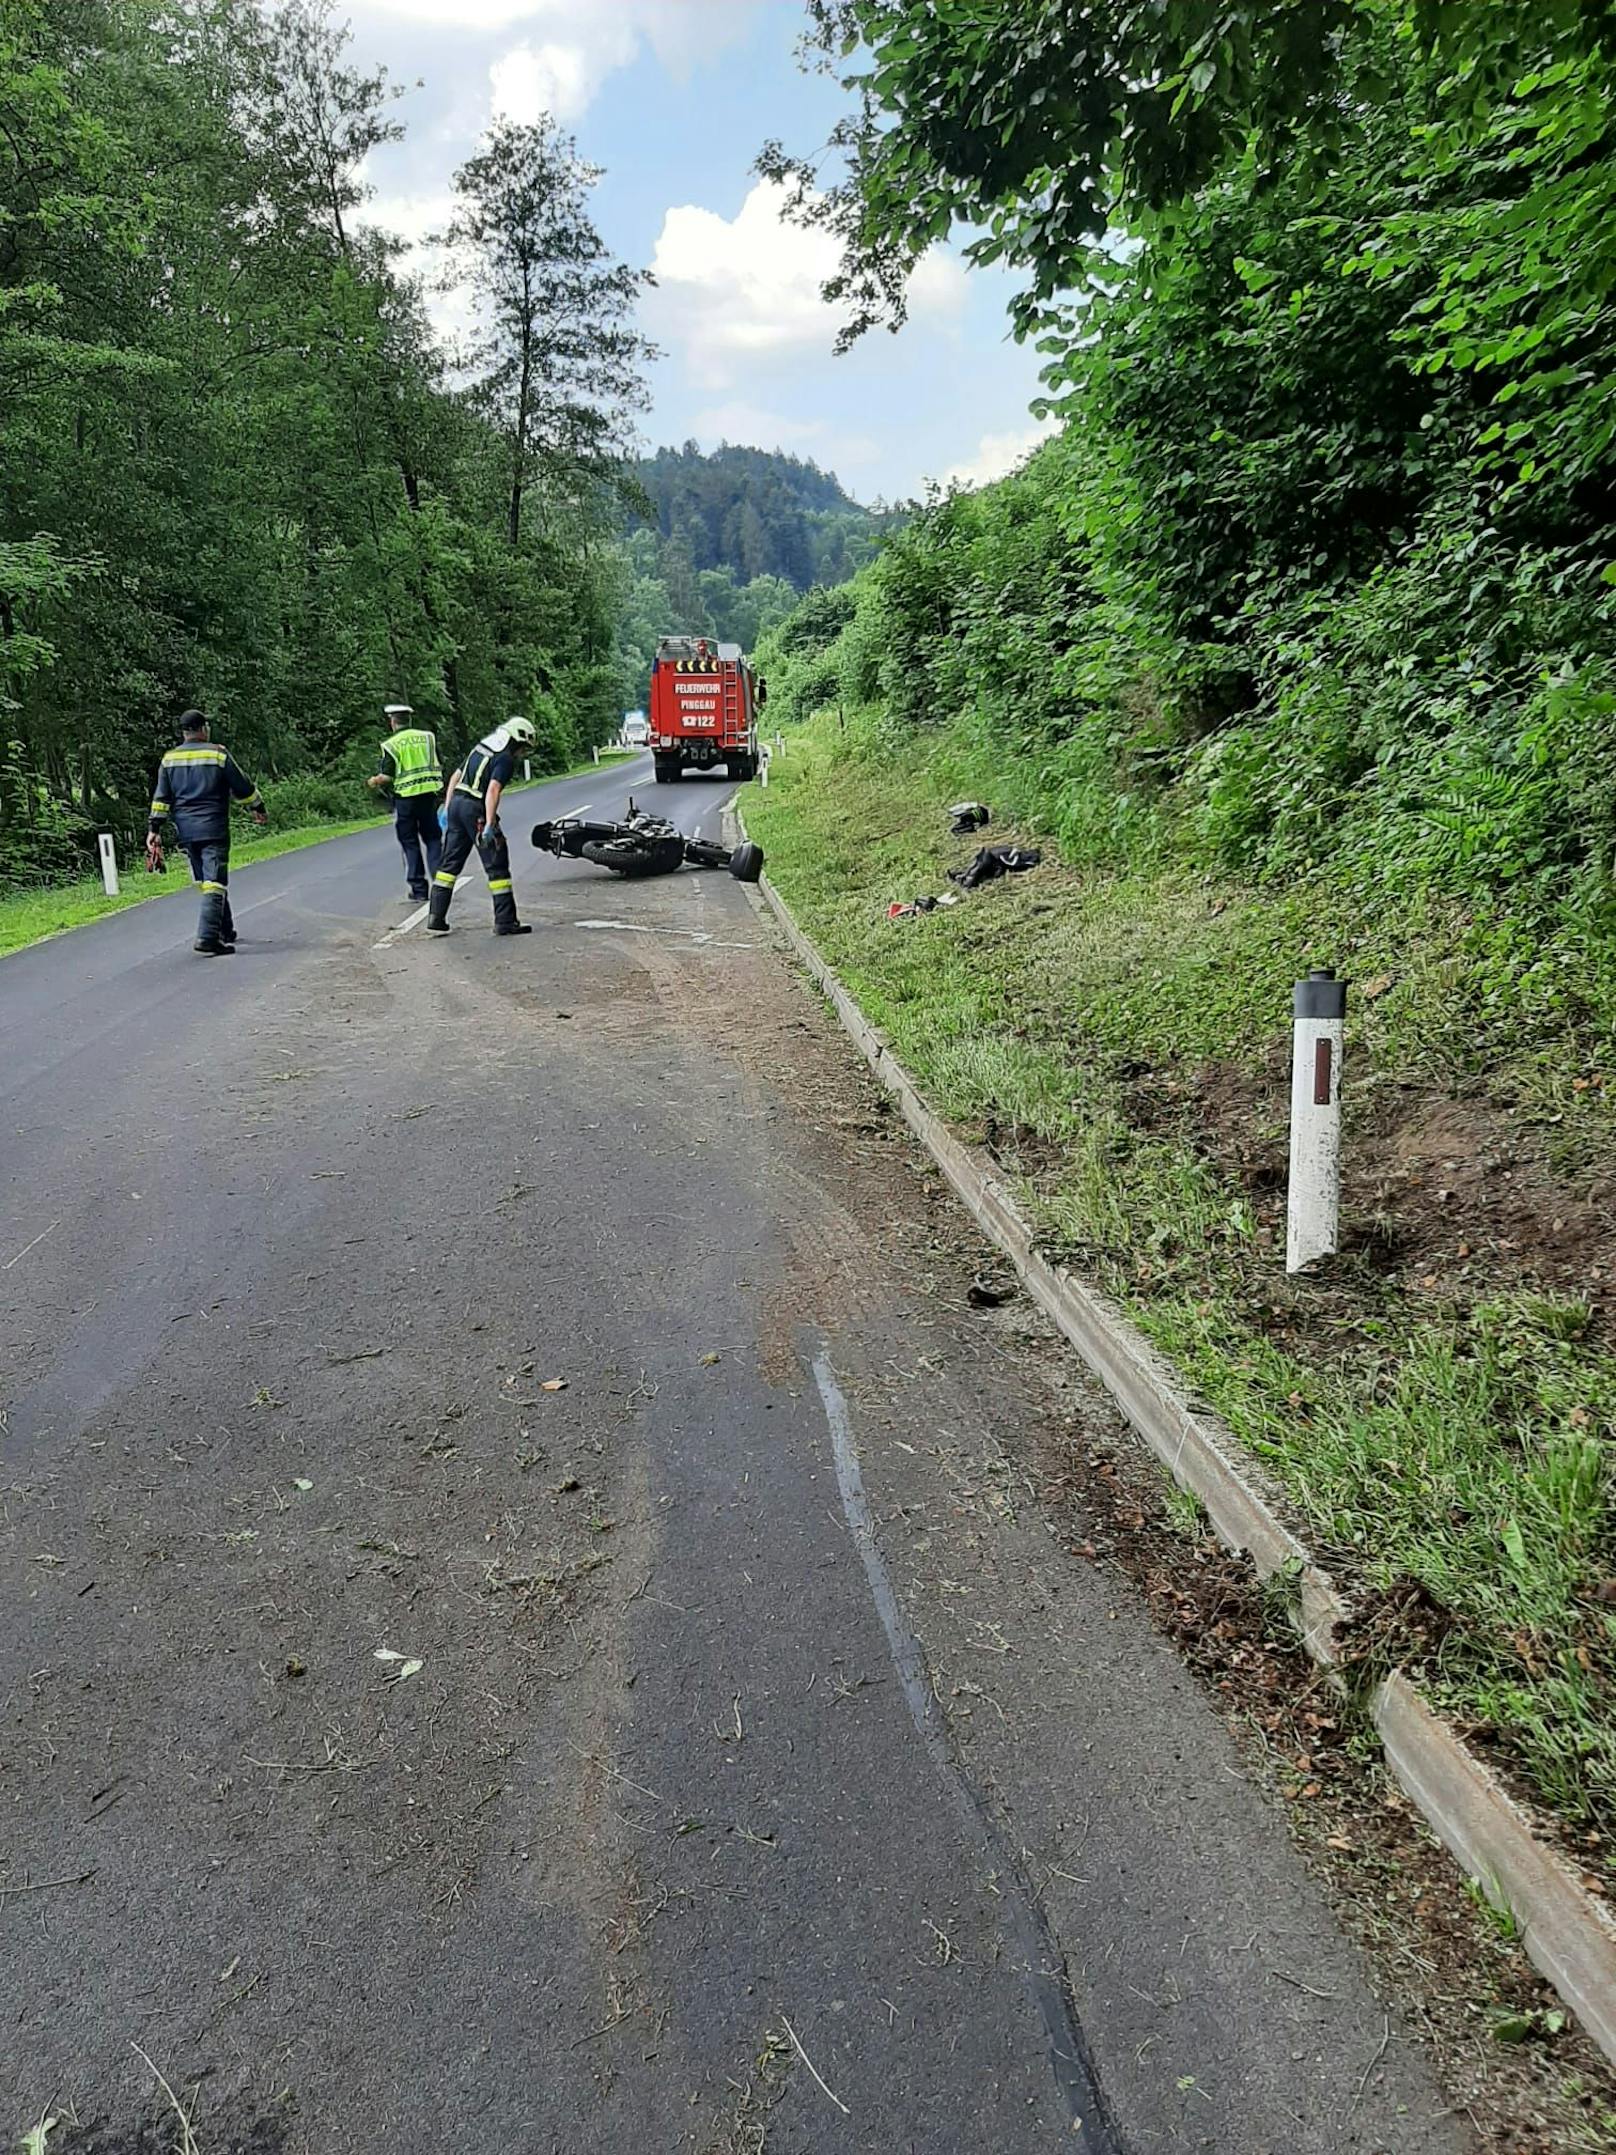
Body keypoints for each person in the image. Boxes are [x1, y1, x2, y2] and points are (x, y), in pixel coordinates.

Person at [147, 709, 268, 955]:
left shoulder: (169, 759)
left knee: (206, 881)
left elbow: (161, 798)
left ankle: (225, 929)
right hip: (213, 826)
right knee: (215, 881)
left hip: (186, 830)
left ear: (184, 732)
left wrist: (154, 829)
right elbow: (241, 785)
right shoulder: (217, 754)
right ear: (203, 728)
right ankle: (207, 938)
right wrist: (258, 807)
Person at [426, 716, 537, 936]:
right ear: (517, 742)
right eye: (523, 748)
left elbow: (455, 777)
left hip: (457, 805)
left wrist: (447, 809)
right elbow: (493, 790)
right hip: (475, 809)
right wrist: (488, 824)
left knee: (448, 866)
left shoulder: (480, 748)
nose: (522, 753)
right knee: (497, 864)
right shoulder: (504, 759)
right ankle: (505, 922)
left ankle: (436, 917)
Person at [367, 702, 444, 902]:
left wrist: (374, 781)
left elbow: (387, 775)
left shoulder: (391, 744)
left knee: (410, 843)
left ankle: (419, 889)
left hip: (406, 800)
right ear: (409, 720)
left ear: (392, 722)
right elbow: (438, 762)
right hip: (429, 796)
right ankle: (441, 882)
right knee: (433, 839)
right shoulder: (428, 738)